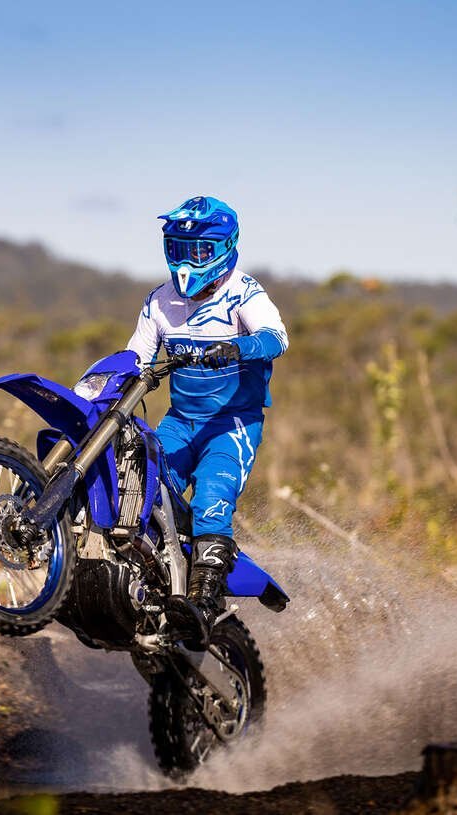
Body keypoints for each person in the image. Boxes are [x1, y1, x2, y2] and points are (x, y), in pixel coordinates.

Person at [125, 195, 288, 647]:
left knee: (211, 499)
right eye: (177, 249)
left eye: (198, 251)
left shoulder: (245, 292)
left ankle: (203, 600)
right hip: (180, 421)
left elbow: (277, 337)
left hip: (231, 426)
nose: (186, 261)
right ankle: (143, 578)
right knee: (139, 485)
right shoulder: (159, 301)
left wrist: (238, 348)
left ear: (225, 248)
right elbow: (134, 358)